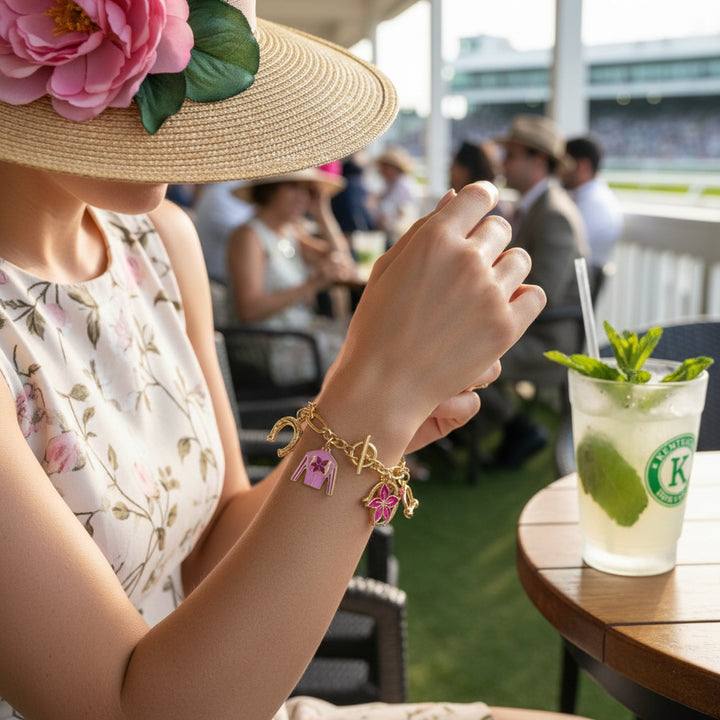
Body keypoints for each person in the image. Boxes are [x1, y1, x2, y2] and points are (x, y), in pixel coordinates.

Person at [0, 3, 592, 720]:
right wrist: (369, 404)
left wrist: (381, 427)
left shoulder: (158, 239)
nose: (182, 96)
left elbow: (212, 543)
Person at [478, 114, 589, 468]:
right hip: (536, 329)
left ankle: (516, 428)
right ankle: (501, 427)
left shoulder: (553, 213)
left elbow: (544, 292)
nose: (501, 163)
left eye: (509, 155)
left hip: (548, 339)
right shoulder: (541, 206)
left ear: (538, 161)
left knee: (463, 351)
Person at [226, 168, 357, 382]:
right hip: (271, 347)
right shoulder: (249, 236)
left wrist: (322, 213)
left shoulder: (290, 231)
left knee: (371, 334)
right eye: (293, 187)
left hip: (302, 336)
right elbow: (249, 311)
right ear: (269, 190)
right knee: (364, 354)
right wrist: (311, 285)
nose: (303, 197)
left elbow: (340, 258)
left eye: (308, 191)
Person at [561, 136, 624, 270]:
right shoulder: (595, 196)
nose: (558, 170)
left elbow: (564, 250)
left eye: (563, 163)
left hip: (577, 279)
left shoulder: (592, 204)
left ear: (582, 165)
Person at [371, 145, 421, 247]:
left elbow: (402, 211)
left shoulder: (403, 185)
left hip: (400, 233)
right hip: (391, 232)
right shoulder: (389, 185)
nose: (382, 171)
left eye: (385, 167)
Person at [450, 139, 510, 219]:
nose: (450, 172)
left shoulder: (479, 209)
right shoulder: (488, 205)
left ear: (466, 170)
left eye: (453, 167)